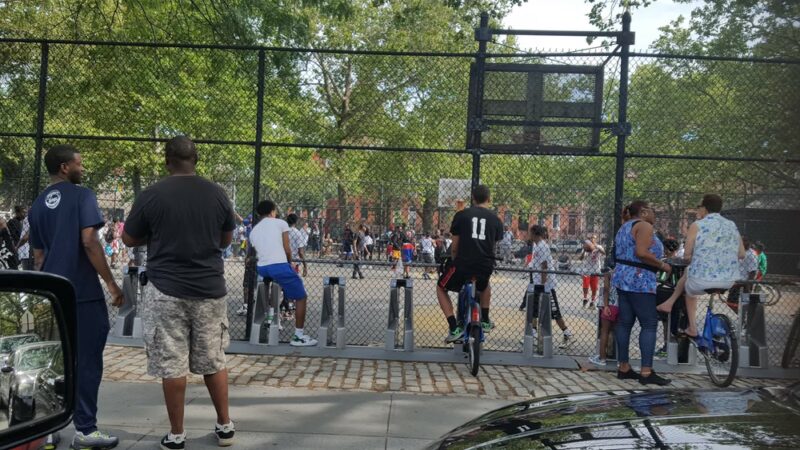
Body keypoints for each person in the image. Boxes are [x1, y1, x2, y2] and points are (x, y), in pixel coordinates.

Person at [122, 136, 236, 450]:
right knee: (214, 359)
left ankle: (176, 434)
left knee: (172, 363)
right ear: (195, 159)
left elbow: (129, 239)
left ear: (168, 161)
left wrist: (156, 234)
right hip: (209, 288)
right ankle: (225, 426)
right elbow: (226, 240)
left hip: (165, 289)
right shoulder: (217, 194)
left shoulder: (151, 195)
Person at [28, 144, 124, 449]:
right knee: (87, 362)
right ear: (65, 168)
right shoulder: (83, 195)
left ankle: (48, 430)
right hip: (81, 292)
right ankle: (85, 429)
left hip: (51, 293)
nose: (82, 168)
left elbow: (39, 256)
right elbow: (89, 241)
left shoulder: (38, 205)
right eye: (79, 164)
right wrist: (111, 283)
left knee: (55, 361)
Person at [656, 194, 744, 339]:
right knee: (689, 274)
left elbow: (687, 255)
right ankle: (671, 304)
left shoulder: (697, 225)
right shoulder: (731, 225)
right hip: (729, 280)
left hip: (702, 280)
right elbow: (741, 254)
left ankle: (692, 327)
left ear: (704, 208)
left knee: (690, 285)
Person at [612, 200, 672, 386]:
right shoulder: (644, 225)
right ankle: (646, 372)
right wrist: (663, 265)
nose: (655, 215)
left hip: (623, 277)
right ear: (644, 212)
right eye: (653, 211)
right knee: (649, 324)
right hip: (640, 279)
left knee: (624, 322)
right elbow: (641, 253)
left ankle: (624, 367)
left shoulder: (624, 226)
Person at [437, 185, 503, 342]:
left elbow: (455, 246)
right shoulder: (496, 219)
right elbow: (493, 245)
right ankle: (485, 319)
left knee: (441, 287)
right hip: (485, 263)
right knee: (485, 284)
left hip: (463, 263)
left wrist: (453, 259)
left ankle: (454, 327)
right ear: (489, 199)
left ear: (473, 198)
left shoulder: (461, 215)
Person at [248, 199, 318, 347]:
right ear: (273, 211)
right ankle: (298, 336)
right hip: (278, 266)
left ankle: (269, 316)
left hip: (262, 268)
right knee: (301, 296)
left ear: (259, 214)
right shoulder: (281, 223)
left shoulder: (254, 230)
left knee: (272, 286)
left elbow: (257, 250)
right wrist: (289, 263)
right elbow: (287, 248)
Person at [523, 225, 573, 348]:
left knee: (554, 311)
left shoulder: (543, 246)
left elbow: (544, 266)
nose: (528, 235)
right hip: (537, 282)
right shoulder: (536, 245)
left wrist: (545, 285)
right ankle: (533, 333)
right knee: (534, 308)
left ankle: (567, 333)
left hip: (545, 284)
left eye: (530, 233)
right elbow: (536, 263)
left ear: (535, 233)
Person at [588, 269, 618, 366]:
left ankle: (602, 358)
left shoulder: (609, 274)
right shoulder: (627, 271)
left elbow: (606, 289)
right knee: (621, 332)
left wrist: (605, 305)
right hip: (623, 306)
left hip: (610, 304)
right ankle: (621, 360)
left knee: (604, 331)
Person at [579, 235, 605, 308]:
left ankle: (592, 302)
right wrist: (584, 250)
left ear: (596, 239)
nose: (592, 239)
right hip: (586, 270)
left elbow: (604, 253)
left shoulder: (599, 246)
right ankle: (585, 298)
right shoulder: (586, 247)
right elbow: (580, 258)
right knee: (585, 285)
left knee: (594, 287)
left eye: (593, 238)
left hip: (595, 270)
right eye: (590, 238)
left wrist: (597, 248)